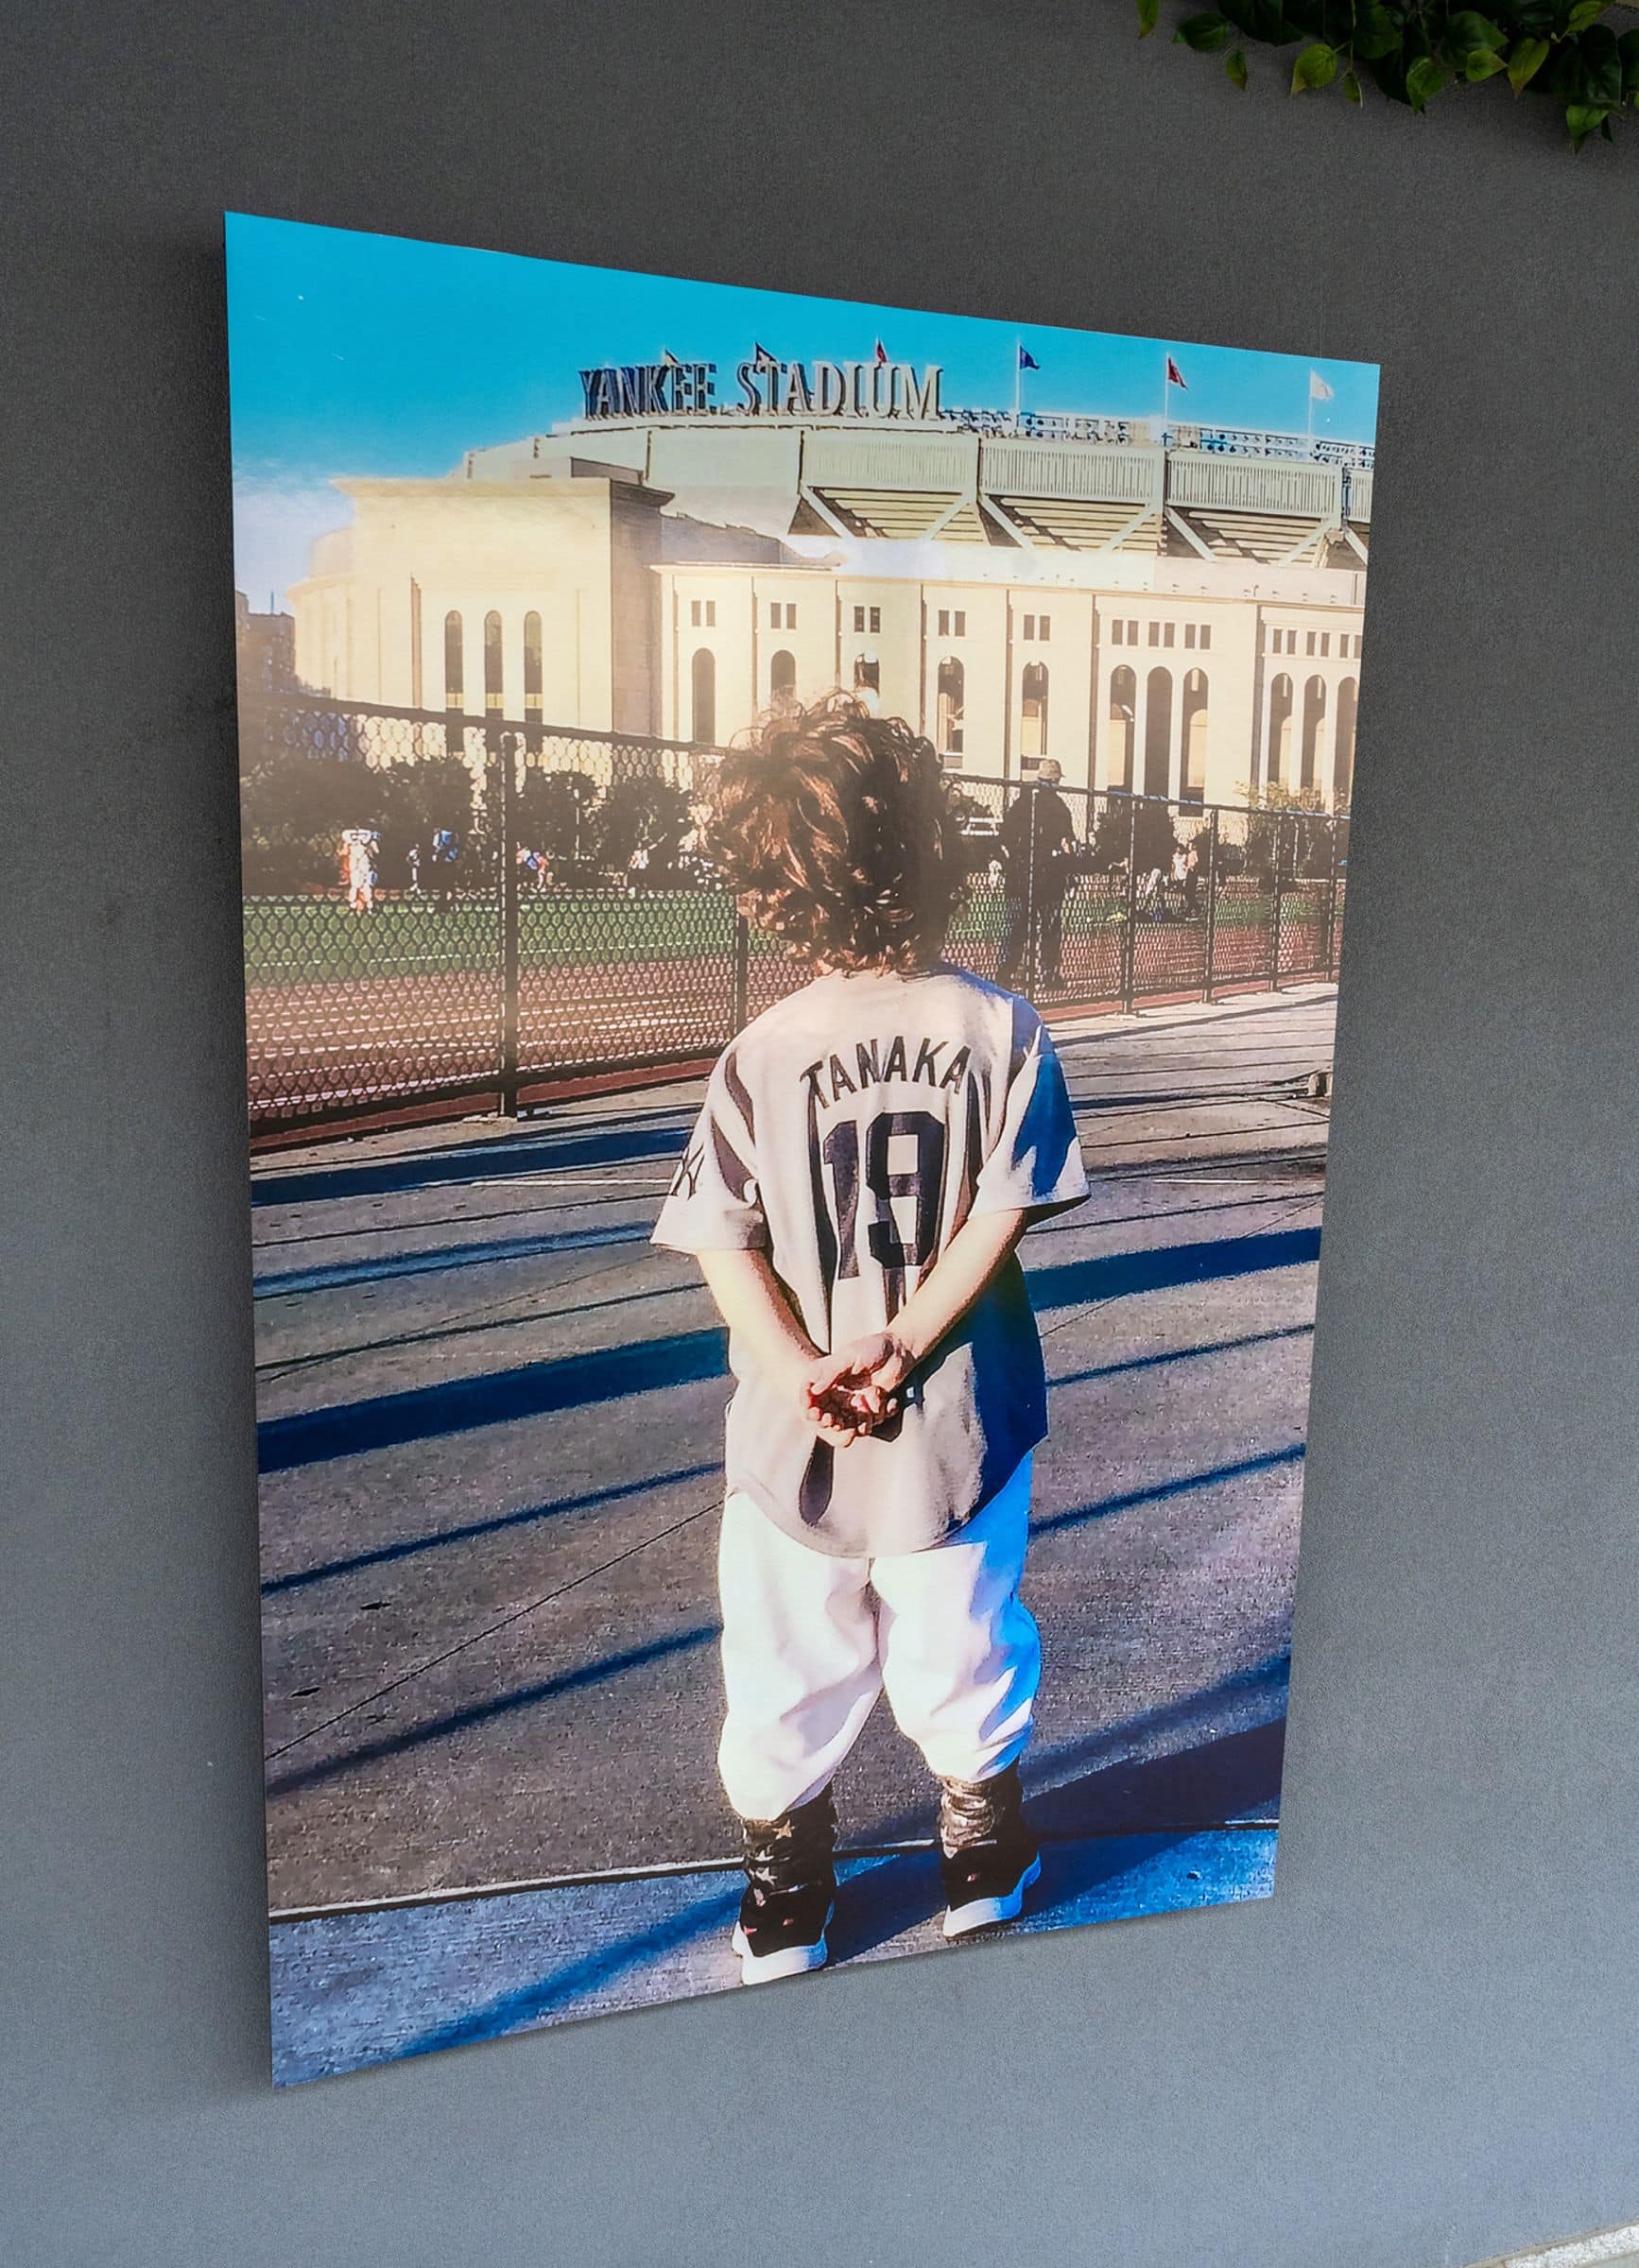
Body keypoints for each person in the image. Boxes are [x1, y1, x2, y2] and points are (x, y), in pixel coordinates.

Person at [652, 695, 1088, 1985]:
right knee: (962, 1634)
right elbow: (1004, 1211)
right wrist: (901, 1343)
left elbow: (721, 1239)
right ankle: (980, 1855)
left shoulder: (761, 1051)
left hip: (796, 1430)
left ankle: (786, 1894)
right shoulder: (1002, 1027)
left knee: (784, 1653)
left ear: (770, 891)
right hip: (953, 1412)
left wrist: (803, 1368)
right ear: (938, 850)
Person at [996, 759, 1076, 991]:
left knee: (1019, 927)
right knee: (1042, 927)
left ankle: (1010, 973)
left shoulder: (1023, 803)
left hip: (1027, 875)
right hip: (1043, 875)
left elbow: (1005, 837)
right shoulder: (1053, 807)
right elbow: (1067, 842)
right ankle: (1042, 973)